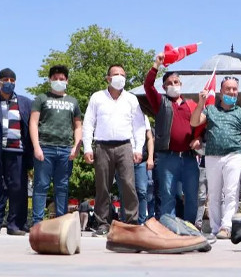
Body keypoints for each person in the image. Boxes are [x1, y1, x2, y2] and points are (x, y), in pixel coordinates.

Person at [82, 64, 146, 235]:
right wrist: (87, 147)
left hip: (125, 146)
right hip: (102, 146)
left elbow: (139, 126)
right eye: (116, 74)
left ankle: (131, 223)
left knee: (128, 185)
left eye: (123, 75)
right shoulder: (97, 97)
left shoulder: (131, 99)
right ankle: (102, 223)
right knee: (102, 187)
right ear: (108, 78)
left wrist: (138, 148)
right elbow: (88, 123)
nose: (120, 77)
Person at [191, 76, 241, 239]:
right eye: (228, 89)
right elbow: (194, 122)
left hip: (234, 155)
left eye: (234, 89)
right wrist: (200, 103)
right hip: (212, 156)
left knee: (232, 192)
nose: (231, 92)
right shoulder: (210, 110)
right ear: (220, 92)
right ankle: (215, 227)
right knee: (213, 193)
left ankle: (227, 226)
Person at [144, 53, 200, 223]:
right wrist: (156, 65)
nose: (173, 85)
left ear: (181, 84)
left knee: (191, 195)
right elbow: (148, 86)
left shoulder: (191, 104)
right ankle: (169, 228)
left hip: (189, 158)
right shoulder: (161, 102)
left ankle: (190, 229)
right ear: (164, 87)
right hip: (168, 157)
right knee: (167, 195)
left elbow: (201, 125)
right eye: (169, 83)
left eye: (176, 82)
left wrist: (199, 139)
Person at [29, 65, 83, 225]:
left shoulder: (73, 101)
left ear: (66, 80)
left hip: (66, 150)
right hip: (45, 147)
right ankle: (37, 223)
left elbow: (78, 126)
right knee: (41, 186)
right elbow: (33, 123)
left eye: (62, 79)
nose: (58, 81)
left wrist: (76, 147)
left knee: (62, 187)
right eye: (55, 78)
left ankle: (61, 223)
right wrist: (36, 147)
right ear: (50, 80)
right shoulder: (41, 98)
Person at [0, 67, 32, 235]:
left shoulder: (24, 102)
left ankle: (15, 224)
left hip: (17, 151)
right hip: (1, 150)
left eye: (12, 81)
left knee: (18, 188)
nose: (8, 83)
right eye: (5, 80)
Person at [115, 115, 154, 224]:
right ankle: (126, 221)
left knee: (142, 191)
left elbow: (150, 138)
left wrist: (150, 157)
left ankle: (141, 222)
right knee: (124, 192)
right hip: (123, 160)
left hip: (141, 160)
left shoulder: (143, 116)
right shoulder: (118, 114)